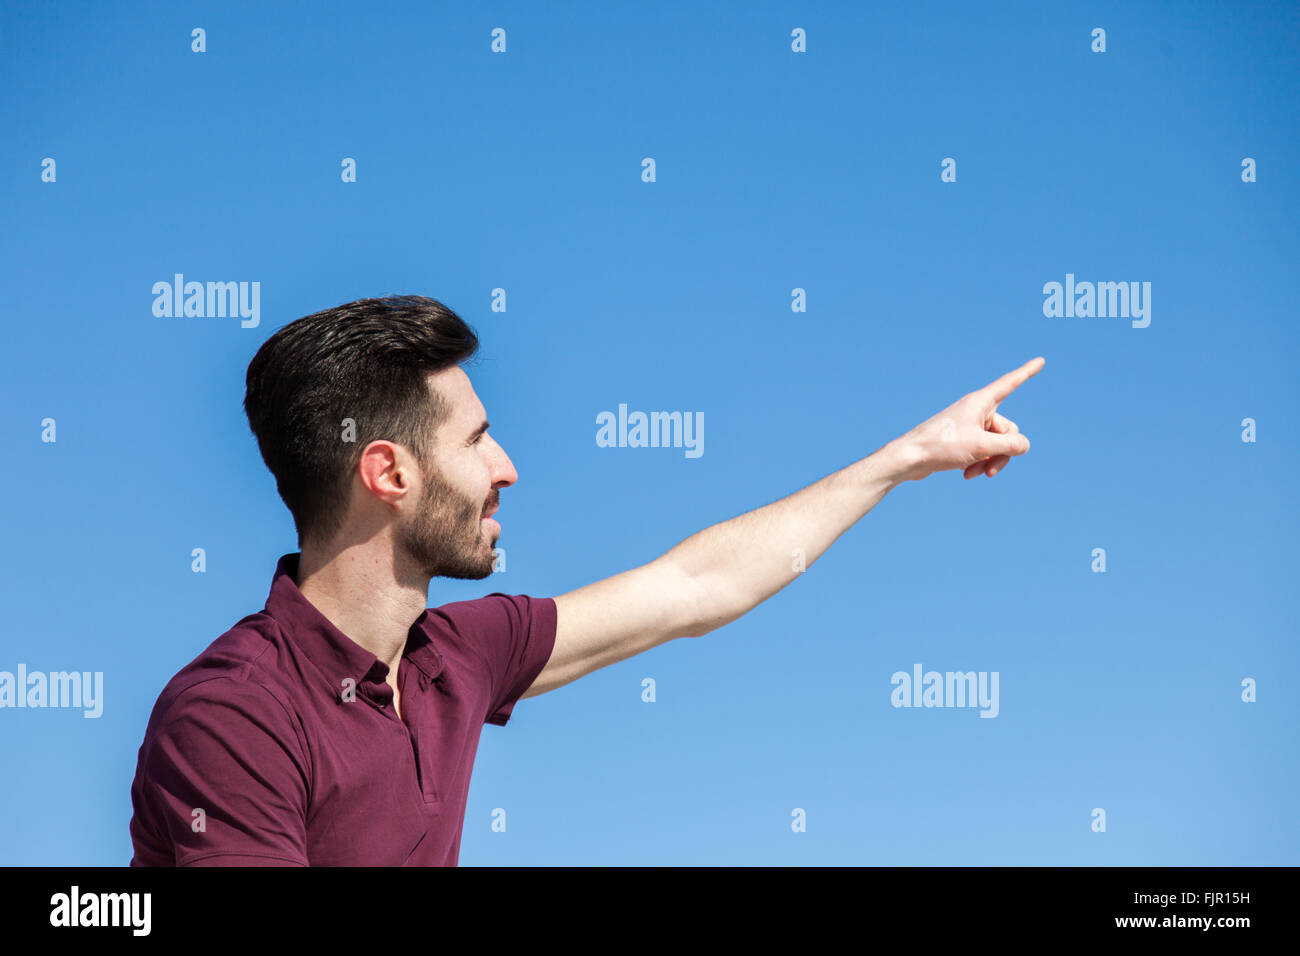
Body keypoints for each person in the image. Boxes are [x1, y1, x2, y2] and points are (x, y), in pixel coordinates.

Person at [127, 294, 1043, 866]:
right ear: (389, 475)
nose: (508, 468)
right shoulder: (233, 717)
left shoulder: (453, 656)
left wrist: (907, 457)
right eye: (478, 440)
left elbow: (695, 585)